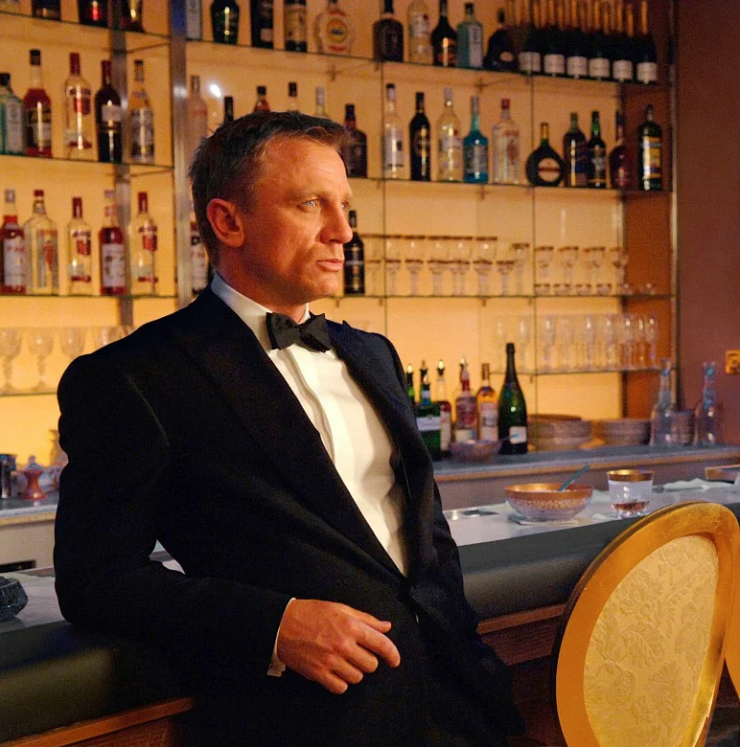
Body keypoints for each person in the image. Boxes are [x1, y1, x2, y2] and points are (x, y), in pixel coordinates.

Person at [54, 110, 524, 746]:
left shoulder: (374, 354)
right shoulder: (135, 377)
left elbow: (426, 536)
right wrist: (274, 625)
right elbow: (96, 581)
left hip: (457, 707)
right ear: (228, 222)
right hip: (308, 723)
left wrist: (476, 669)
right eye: (310, 204)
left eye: (345, 207)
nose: (343, 232)